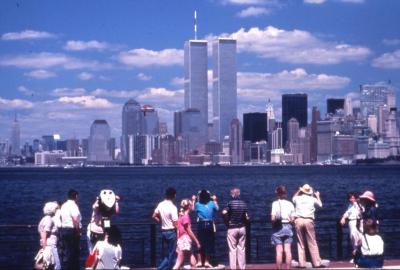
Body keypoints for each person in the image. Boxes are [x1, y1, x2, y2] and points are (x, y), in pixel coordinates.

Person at [292, 184, 324, 268]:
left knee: (300, 242)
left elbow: (293, 198)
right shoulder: (312, 199)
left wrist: (299, 190)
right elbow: (320, 205)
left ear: (302, 191)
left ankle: (302, 263)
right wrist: (317, 196)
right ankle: (316, 263)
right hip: (309, 220)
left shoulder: (297, 198)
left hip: (298, 220)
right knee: (312, 242)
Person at [222, 188, 249, 270]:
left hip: (232, 228)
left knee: (232, 249)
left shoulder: (230, 203)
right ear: (239, 194)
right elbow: (247, 217)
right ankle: (242, 267)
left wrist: (227, 222)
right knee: (242, 248)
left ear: (232, 194)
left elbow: (224, 212)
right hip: (242, 228)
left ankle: (233, 268)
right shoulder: (243, 204)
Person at [152, 187, 179, 270]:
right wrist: (179, 233)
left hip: (163, 231)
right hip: (171, 232)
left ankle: (160, 268)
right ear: (174, 195)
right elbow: (175, 223)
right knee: (172, 254)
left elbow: (153, 216)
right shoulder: (173, 207)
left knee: (168, 254)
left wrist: (161, 222)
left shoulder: (161, 204)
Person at [191, 189, 219, 268]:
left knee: (199, 243)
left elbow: (193, 210)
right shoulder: (211, 203)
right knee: (208, 243)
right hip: (209, 224)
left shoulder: (197, 204)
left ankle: (199, 261)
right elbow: (217, 208)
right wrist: (215, 200)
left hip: (201, 224)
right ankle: (206, 261)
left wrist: (193, 200)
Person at [271, 186, 295, 270]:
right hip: (288, 227)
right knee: (288, 251)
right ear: (285, 193)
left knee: (279, 251)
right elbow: (292, 219)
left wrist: (273, 223)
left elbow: (273, 218)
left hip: (278, 227)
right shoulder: (290, 204)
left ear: (277, 193)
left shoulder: (275, 203)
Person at [173, 199, 201, 270]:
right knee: (179, 263)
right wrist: (197, 241)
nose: (192, 206)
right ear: (188, 206)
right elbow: (189, 231)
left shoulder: (181, 216)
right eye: (191, 205)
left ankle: (194, 267)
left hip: (182, 239)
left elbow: (178, 230)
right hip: (185, 239)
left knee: (192, 257)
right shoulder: (186, 217)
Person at [59, 189, 82, 270]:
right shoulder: (73, 206)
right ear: (75, 196)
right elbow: (75, 219)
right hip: (72, 231)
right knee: (73, 253)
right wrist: (78, 231)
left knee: (67, 252)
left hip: (64, 230)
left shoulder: (63, 205)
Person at [38, 201, 61, 270]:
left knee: (49, 264)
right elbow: (44, 233)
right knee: (57, 265)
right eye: (56, 209)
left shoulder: (44, 218)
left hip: (48, 244)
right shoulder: (49, 220)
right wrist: (45, 248)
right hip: (51, 245)